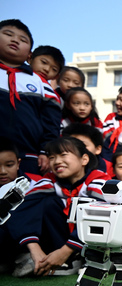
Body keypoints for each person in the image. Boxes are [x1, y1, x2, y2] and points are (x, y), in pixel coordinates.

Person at [8, 137, 110, 277]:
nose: (57, 161)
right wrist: (34, 248)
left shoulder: (99, 179)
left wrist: (65, 251)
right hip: (64, 242)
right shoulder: (50, 180)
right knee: (46, 203)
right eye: (51, 157)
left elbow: (100, 218)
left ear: (84, 159)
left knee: (91, 208)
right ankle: (43, 258)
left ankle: (78, 259)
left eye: (63, 155)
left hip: (96, 243)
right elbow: (21, 208)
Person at [0, 19, 61, 176]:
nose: (15, 40)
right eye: (8, 34)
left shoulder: (39, 82)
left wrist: (45, 151)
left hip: (29, 156)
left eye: (23, 40)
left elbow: (51, 121)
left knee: (25, 198)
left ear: (29, 53)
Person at [0, 138, 42, 275]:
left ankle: (26, 256)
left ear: (18, 163)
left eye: (9, 165)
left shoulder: (36, 183)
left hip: (28, 241)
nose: (2, 171)